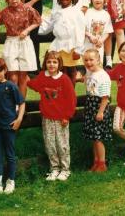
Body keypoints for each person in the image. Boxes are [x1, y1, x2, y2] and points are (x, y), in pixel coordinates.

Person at [27, 51, 76, 181]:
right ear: (45, 63)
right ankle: (54, 168)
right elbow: (36, 85)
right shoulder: (43, 76)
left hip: (61, 119)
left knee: (62, 144)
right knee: (50, 144)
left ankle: (65, 169)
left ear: (59, 64)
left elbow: (71, 99)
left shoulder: (64, 79)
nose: (51, 64)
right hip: (47, 117)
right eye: (49, 62)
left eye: (54, 62)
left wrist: (67, 116)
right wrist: (26, 81)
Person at [0, 0, 41, 98]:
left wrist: (27, 30)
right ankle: (13, 103)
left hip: (25, 43)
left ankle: (21, 105)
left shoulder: (28, 9)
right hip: (11, 43)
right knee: (13, 76)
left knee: (23, 76)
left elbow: (37, 21)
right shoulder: (4, 13)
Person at [0, 58, 25, 194]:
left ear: (5, 71)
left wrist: (19, 119)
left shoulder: (11, 86)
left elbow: (22, 102)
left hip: (9, 125)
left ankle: (11, 181)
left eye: (0, 71)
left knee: (10, 154)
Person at [38, 0, 86, 86]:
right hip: (58, 45)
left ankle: (70, 95)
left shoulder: (77, 12)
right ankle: (60, 94)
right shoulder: (56, 13)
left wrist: (78, 50)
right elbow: (48, 27)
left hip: (71, 46)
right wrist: (37, 25)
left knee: (70, 71)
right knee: (59, 71)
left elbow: (81, 31)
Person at [79, 49, 112, 172]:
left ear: (98, 60)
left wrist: (100, 112)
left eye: (91, 59)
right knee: (94, 137)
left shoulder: (103, 76)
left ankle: (102, 164)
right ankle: (96, 162)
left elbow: (105, 97)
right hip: (91, 106)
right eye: (86, 60)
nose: (88, 62)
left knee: (98, 138)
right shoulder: (91, 73)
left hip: (99, 107)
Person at [84, 0, 114, 64]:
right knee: (89, 66)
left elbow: (108, 31)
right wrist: (90, 36)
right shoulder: (88, 12)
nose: (98, 0)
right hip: (87, 46)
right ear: (91, 0)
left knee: (98, 66)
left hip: (99, 47)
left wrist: (102, 40)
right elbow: (83, 29)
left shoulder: (106, 14)